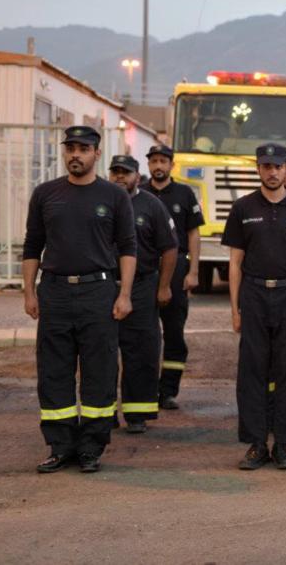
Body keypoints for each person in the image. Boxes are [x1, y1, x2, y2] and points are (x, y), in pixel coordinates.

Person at [23, 126, 136, 474]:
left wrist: (125, 294)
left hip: (98, 292)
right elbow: (32, 246)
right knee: (53, 371)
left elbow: (128, 248)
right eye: (70, 147)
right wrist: (29, 290)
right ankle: (60, 446)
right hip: (54, 292)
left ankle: (91, 447)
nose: (76, 154)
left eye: (83, 148)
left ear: (96, 154)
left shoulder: (114, 196)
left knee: (99, 372)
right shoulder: (45, 194)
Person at [221, 143, 286, 471]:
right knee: (251, 369)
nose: (273, 172)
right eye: (266, 166)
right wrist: (235, 308)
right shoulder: (242, 208)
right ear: (258, 168)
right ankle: (254, 443)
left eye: (279, 166)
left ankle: (282, 443)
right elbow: (235, 263)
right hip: (254, 294)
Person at [108, 155, 178, 433]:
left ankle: (137, 414)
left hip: (142, 285)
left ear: (138, 176)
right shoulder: (100, 200)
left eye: (126, 172)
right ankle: (105, 412)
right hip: (103, 285)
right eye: (116, 172)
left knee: (140, 350)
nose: (120, 177)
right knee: (102, 351)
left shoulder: (152, 205)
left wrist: (163, 286)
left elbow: (170, 247)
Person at [144, 144, 205, 411]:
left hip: (179, 267)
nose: (158, 166)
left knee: (174, 332)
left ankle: (167, 391)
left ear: (171, 165)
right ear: (148, 165)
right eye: (154, 161)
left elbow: (193, 234)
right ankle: (143, 390)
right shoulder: (140, 193)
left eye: (163, 161)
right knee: (143, 334)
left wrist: (193, 271)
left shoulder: (184, 193)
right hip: (144, 268)